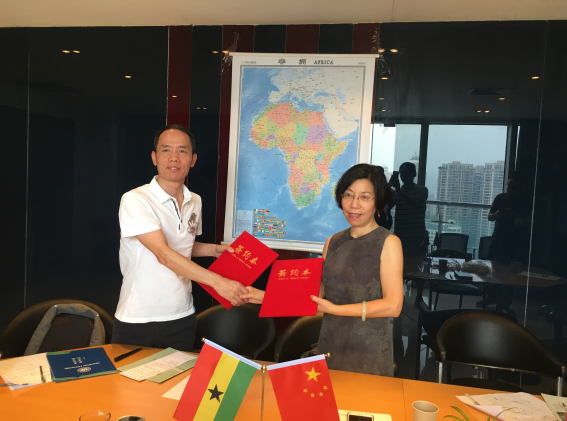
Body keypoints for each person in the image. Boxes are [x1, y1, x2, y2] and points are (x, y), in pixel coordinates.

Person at [243, 164, 404, 376]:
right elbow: (314, 297)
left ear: (378, 201)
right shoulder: (333, 242)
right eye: (348, 195)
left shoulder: (388, 242)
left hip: (368, 349)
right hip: (331, 343)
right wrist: (264, 297)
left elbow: (393, 306)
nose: (354, 204)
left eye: (365, 197)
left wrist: (335, 309)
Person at [111, 124, 248, 351]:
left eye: (182, 151)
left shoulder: (195, 200)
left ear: (192, 160)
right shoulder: (135, 199)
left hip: (182, 315)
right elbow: (164, 254)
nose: (174, 158)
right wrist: (218, 283)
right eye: (166, 150)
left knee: (178, 374)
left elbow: (183, 244)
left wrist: (213, 250)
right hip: (138, 317)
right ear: (154, 157)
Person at [388, 162, 429, 257]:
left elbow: (416, 203)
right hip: (400, 234)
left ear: (414, 174)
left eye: (407, 172)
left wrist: (398, 192)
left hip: (416, 235)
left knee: (416, 262)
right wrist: (388, 187)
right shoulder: (397, 192)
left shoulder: (422, 190)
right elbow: (387, 206)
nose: (404, 176)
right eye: (402, 173)